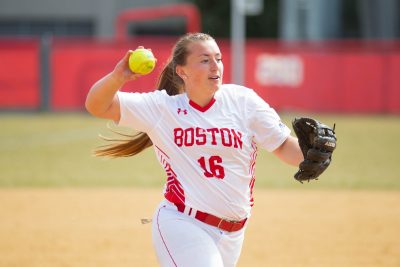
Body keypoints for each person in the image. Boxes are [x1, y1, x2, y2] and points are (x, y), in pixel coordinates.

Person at [85, 32, 303, 267]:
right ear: (182, 71)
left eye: (218, 58)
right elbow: (97, 105)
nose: (215, 66)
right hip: (182, 223)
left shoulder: (243, 101)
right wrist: (118, 77)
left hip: (233, 233)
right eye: (204, 60)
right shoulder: (162, 108)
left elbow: (284, 146)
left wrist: (314, 153)